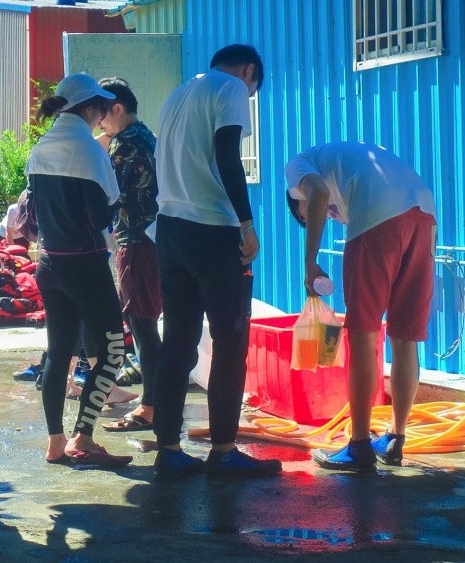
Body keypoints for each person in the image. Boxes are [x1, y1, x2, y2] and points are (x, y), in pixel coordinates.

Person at [152, 44, 282, 480]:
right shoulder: (231, 89)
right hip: (212, 230)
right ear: (249, 71)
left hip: (170, 229)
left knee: (179, 342)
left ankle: (168, 449)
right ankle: (224, 452)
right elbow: (229, 154)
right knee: (230, 342)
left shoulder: (178, 94)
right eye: (253, 86)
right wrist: (247, 223)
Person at [284, 141, 437, 472]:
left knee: (363, 335)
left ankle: (359, 446)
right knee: (404, 337)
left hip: (379, 213)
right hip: (424, 213)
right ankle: (395, 438)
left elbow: (318, 195)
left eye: (309, 214)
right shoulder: (343, 166)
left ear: (296, 197)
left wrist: (310, 262)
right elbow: (330, 199)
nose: (322, 217)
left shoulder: (297, 166)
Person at [26, 73, 133, 467]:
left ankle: (55, 441)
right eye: (101, 108)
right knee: (113, 353)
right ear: (89, 108)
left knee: (59, 354)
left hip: (50, 263)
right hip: (86, 265)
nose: (103, 115)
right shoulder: (88, 150)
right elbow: (105, 209)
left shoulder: (40, 148)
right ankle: (83, 436)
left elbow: (34, 209)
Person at [96, 78, 161, 433]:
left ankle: (151, 408)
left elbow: (108, 196)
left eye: (102, 113)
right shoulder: (146, 136)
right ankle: (157, 402)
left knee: (142, 326)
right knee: (146, 325)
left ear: (117, 108)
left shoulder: (124, 145)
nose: (99, 122)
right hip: (150, 240)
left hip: (136, 241)